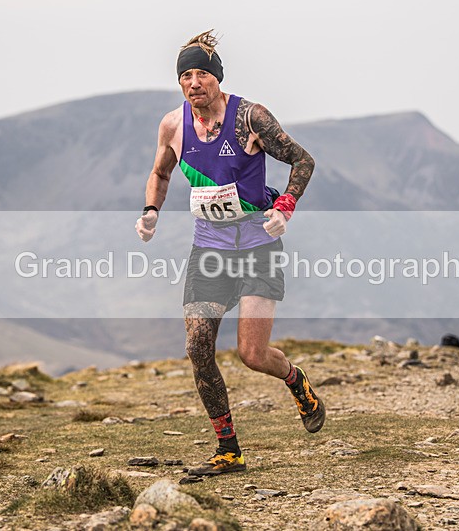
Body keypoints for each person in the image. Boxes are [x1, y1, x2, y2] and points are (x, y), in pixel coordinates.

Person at [135, 30, 324, 476]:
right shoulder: (173, 125)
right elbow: (160, 174)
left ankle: (297, 382)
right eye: (186, 75)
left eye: (202, 73)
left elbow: (303, 160)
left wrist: (285, 207)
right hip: (210, 250)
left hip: (259, 246)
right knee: (198, 346)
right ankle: (228, 449)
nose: (194, 82)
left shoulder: (250, 118)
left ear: (217, 78)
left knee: (252, 355)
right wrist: (150, 211)